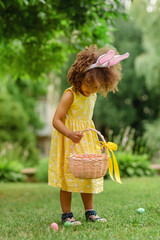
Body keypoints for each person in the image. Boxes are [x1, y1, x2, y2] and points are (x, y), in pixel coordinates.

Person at [48, 45, 129, 226]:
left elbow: (87, 120)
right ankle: (67, 215)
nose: (91, 90)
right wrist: (70, 134)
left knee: (88, 175)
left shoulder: (92, 95)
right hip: (69, 139)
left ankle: (90, 212)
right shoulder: (70, 94)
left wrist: (93, 142)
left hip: (86, 138)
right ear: (81, 76)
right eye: (89, 85)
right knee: (67, 178)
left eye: (96, 88)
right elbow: (56, 120)